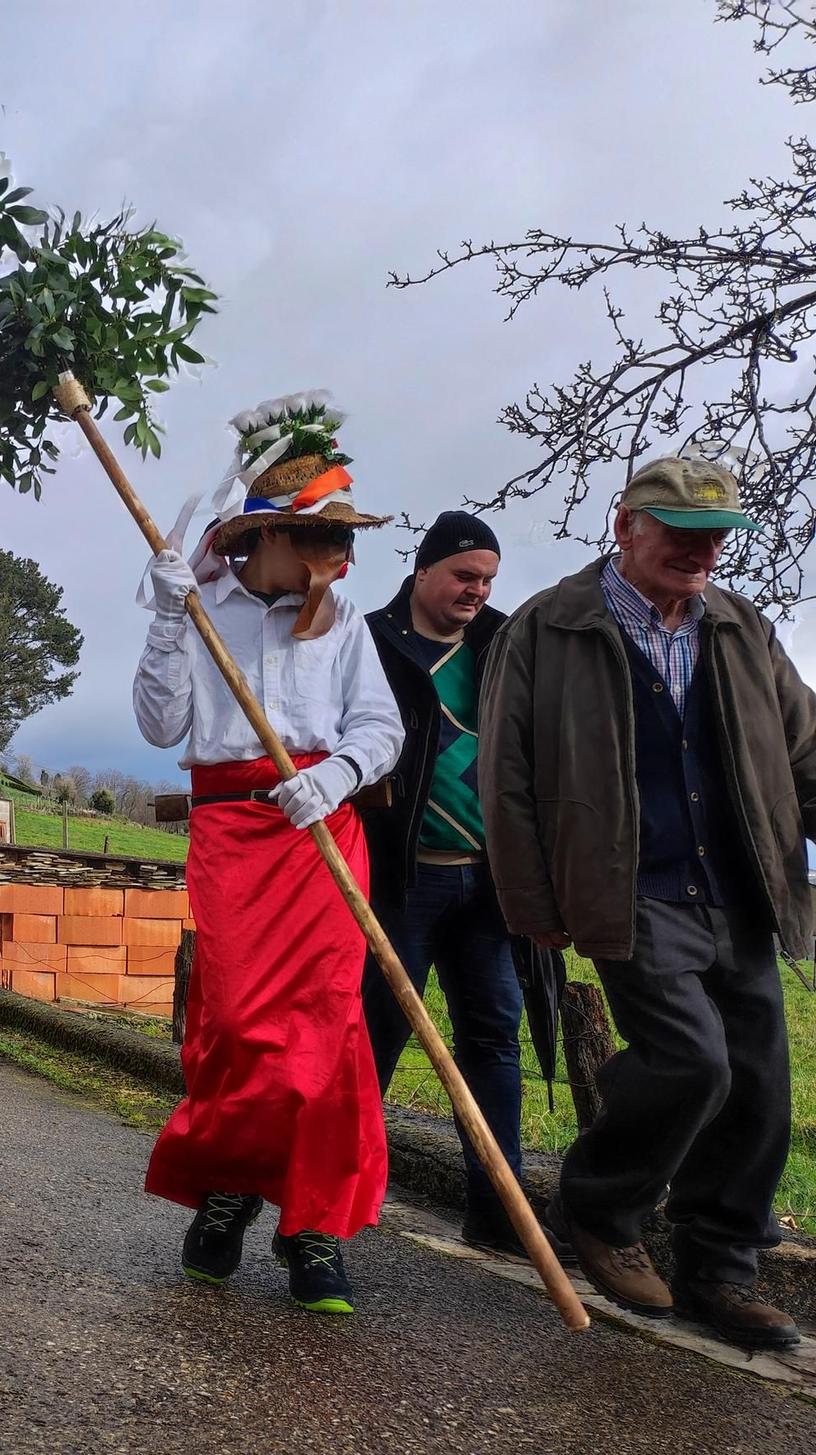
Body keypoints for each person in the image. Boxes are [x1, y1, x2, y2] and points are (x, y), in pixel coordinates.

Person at [480, 455, 812, 1350]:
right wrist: (530, 900)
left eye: (717, 538)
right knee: (693, 1060)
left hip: (741, 888)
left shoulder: (742, 628)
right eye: (679, 531)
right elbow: (504, 779)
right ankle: (601, 1205)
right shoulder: (550, 627)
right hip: (629, 889)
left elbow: (803, 750)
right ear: (624, 523)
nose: (701, 550)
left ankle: (721, 1267)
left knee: (760, 1085)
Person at [134, 391, 402, 1315]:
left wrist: (338, 777)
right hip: (233, 844)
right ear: (266, 538)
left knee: (327, 1034)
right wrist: (171, 623)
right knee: (239, 1029)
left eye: (344, 540)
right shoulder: (201, 610)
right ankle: (227, 1191)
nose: (342, 558)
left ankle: (313, 1227)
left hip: (323, 839)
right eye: (325, 540)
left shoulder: (348, 622)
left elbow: (381, 726)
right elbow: (160, 723)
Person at [357, 511, 531, 1253]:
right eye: (465, 575)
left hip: (486, 888)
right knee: (374, 1039)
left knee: (494, 1036)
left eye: (487, 579)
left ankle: (500, 1215)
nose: (477, 591)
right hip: (401, 884)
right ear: (424, 568)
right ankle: (336, 1208)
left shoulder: (503, 645)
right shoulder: (368, 641)